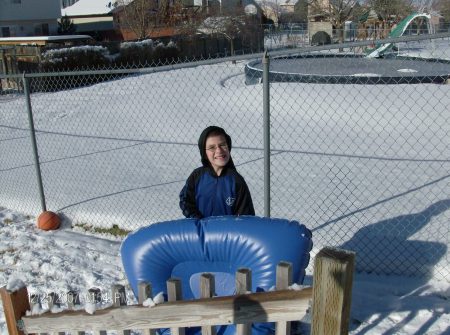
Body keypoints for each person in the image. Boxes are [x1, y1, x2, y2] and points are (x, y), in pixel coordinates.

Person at [179, 126, 255, 218]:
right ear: (204, 153)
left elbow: (245, 217)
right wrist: (198, 221)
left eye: (222, 145)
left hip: (227, 232)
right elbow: (185, 201)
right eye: (212, 147)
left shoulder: (236, 181)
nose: (219, 150)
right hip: (201, 231)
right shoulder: (196, 176)